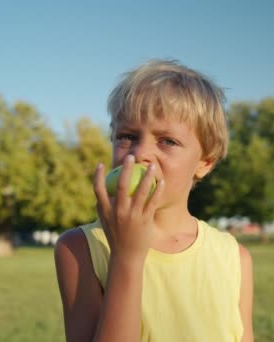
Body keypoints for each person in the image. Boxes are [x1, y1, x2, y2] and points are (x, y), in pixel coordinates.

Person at [54, 59, 254, 341]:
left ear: (205, 163)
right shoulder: (79, 249)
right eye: (127, 136)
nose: (140, 153)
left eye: (168, 141)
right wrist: (126, 256)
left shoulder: (234, 258)